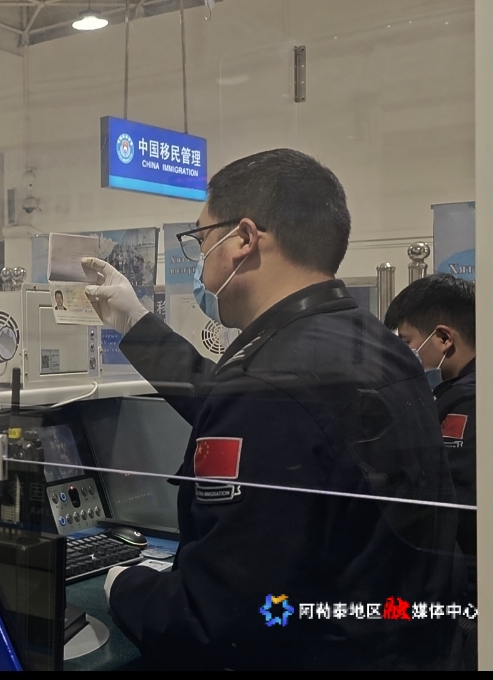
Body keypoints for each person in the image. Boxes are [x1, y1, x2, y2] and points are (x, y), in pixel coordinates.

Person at [83, 149, 462, 670]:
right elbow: (247, 406)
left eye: (201, 239)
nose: (201, 262)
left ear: (243, 238)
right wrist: (135, 323)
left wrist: (127, 586)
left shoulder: (270, 382)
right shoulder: (374, 346)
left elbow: (214, 621)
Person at [384, 274, 477, 594]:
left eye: (406, 342)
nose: (402, 353)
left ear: (443, 338)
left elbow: (450, 493)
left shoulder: (469, 401)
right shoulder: (456, 392)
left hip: (468, 576)